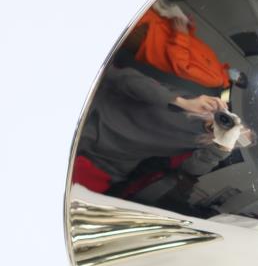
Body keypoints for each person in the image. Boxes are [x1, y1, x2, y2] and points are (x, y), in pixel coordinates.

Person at [73, 66, 242, 194]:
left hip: (103, 158)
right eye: (232, 119)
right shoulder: (198, 100)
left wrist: (221, 147)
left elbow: (191, 171)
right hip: (91, 111)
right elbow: (124, 79)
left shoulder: (204, 147)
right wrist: (181, 102)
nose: (230, 126)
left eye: (236, 131)